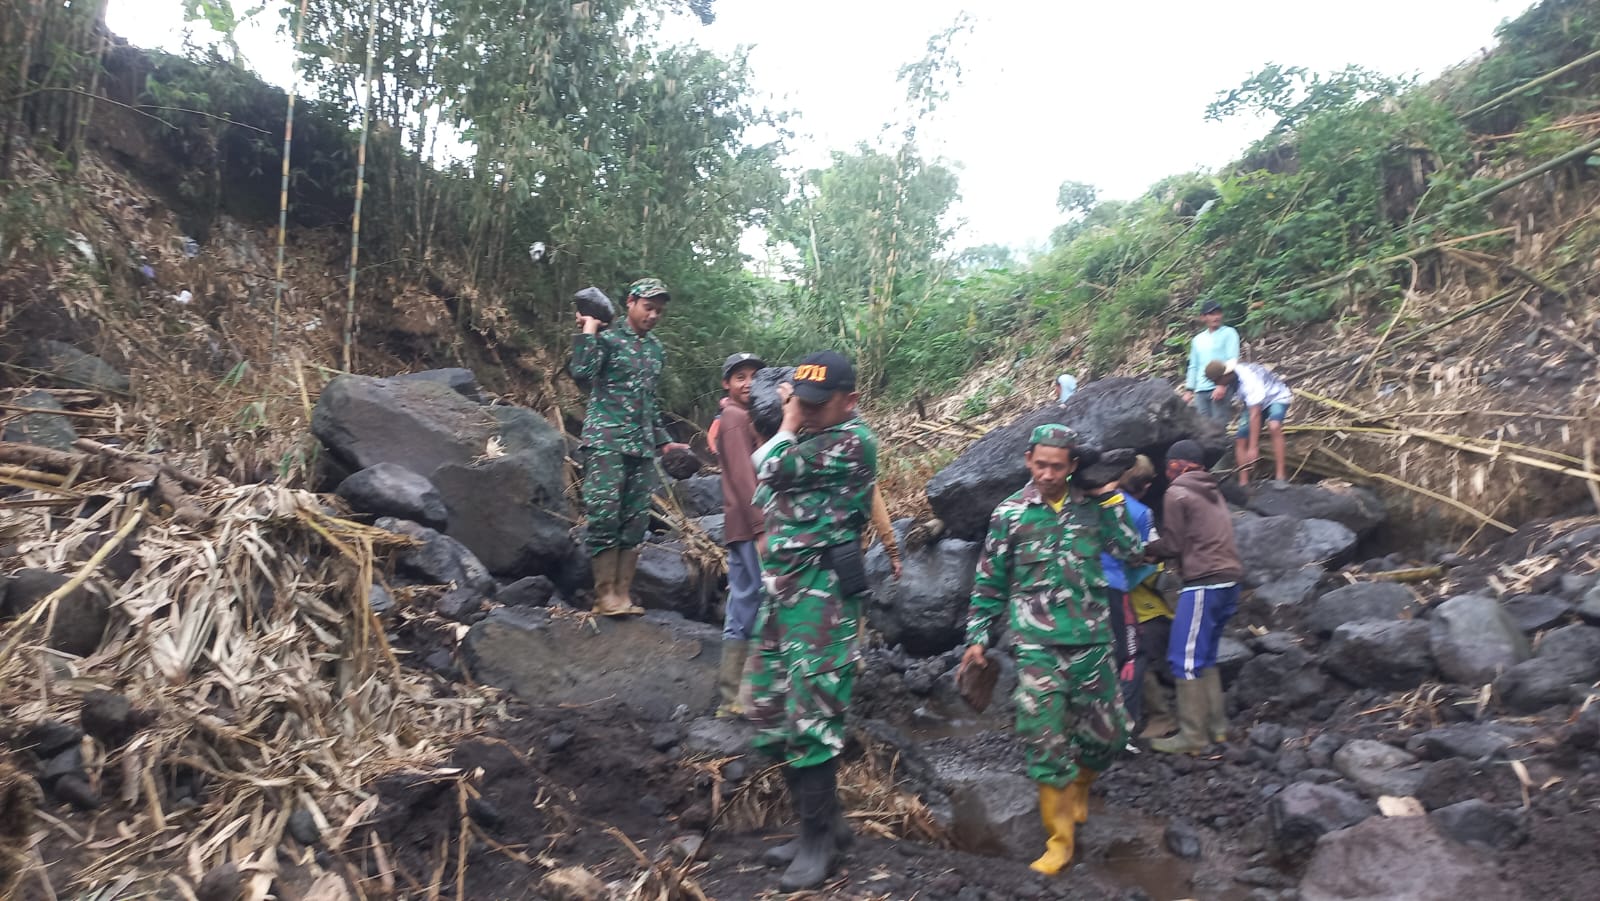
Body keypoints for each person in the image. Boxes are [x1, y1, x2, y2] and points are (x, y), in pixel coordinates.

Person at [958, 424, 1143, 876]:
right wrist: (977, 637)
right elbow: (988, 581)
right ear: (1027, 460)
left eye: (1056, 467)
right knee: (1045, 738)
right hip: (1037, 646)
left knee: (1110, 736)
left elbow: (1132, 552)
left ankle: (1081, 782)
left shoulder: (1095, 508)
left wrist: (1111, 497)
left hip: (1092, 641)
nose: (1046, 473)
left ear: (1073, 466)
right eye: (1039, 464)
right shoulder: (1011, 514)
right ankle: (1059, 840)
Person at [744, 351, 878, 892]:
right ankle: (827, 829)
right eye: (802, 399)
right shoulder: (809, 437)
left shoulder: (852, 442)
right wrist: (795, 424)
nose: (808, 410)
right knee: (770, 709)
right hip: (785, 593)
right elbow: (765, 494)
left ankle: (818, 843)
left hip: (821, 596)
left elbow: (767, 468)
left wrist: (790, 419)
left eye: (820, 404)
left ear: (850, 401)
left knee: (813, 718)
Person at [571, 278, 690, 616]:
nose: (653, 315)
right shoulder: (607, 339)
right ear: (630, 303)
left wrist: (665, 443)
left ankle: (622, 594)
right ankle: (604, 595)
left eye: (659, 311)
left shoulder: (655, 350)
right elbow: (581, 373)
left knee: (635, 521)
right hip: (606, 442)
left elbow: (650, 402)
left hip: (642, 447)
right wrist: (589, 330)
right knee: (605, 516)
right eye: (648, 307)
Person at [1145, 439, 1243, 755]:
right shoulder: (1212, 489)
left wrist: (1145, 551)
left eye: (1169, 467)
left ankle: (1193, 735)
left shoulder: (1177, 492)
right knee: (1206, 657)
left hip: (1204, 582)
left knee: (1183, 659)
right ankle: (1216, 728)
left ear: (1175, 465)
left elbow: (1173, 545)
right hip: (1229, 581)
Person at [712, 351, 766, 717]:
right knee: (765, 602)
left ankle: (731, 697)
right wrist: (763, 527)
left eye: (754, 377)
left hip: (738, 526)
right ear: (726, 384)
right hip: (750, 525)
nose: (748, 384)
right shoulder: (733, 417)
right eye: (740, 377)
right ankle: (749, 694)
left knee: (743, 603)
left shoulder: (748, 417)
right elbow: (746, 477)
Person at [1098, 455, 1159, 727]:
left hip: (1077, 585)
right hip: (1114, 587)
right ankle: (1124, 727)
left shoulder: (1090, 502)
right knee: (1131, 655)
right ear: (1145, 486)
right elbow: (1141, 555)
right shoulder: (1140, 513)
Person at [1204, 359, 1292, 484]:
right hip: (1253, 403)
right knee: (1240, 439)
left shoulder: (1248, 380)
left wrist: (1253, 447)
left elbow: (1255, 414)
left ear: (1224, 376)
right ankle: (1243, 482)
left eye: (1216, 381)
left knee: (1274, 426)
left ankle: (1280, 476)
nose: (1215, 384)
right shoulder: (1231, 378)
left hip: (1275, 397)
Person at [1182, 299, 1239, 422]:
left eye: (1218, 313)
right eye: (1212, 314)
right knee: (1203, 429)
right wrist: (1189, 390)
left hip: (1218, 387)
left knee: (1218, 428)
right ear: (1203, 317)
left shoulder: (1229, 333)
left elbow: (1232, 361)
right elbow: (1193, 365)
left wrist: (1222, 385)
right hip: (1200, 390)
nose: (1216, 317)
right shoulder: (1197, 340)